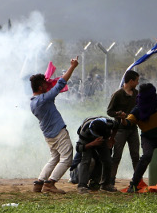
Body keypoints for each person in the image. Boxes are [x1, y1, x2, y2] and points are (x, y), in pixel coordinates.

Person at [29, 56, 78, 194]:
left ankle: (39, 182)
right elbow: (61, 83)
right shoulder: (44, 99)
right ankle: (50, 183)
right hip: (57, 132)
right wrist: (72, 67)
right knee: (67, 158)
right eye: (44, 84)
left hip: (48, 134)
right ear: (40, 87)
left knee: (55, 158)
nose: (47, 85)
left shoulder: (33, 102)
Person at [106, 70, 141, 185]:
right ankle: (110, 181)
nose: (137, 83)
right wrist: (119, 114)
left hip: (133, 128)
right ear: (131, 81)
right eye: (136, 81)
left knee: (136, 155)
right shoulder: (118, 94)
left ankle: (137, 181)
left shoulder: (136, 94)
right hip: (120, 129)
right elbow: (109, 111)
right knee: (117, 155)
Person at [74, 117, 119, 194]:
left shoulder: (110, 123)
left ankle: (105, 184)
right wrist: (92, 144)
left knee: (107, 160)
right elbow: (78, 148)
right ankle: (82, 186)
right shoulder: (85, 131)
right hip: (88, 141)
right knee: (86, 160)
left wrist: (111, 138)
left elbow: (117, 126)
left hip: (103, 140)